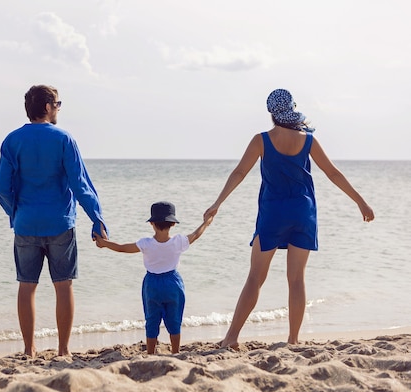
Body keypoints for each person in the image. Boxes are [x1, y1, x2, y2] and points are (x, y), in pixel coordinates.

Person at [203, 88, 375, 349]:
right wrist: (360, 201)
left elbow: (239, 172)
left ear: (271, 113)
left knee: (255, 277)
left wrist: (217, 203)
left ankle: (231, 337)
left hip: (273, 213)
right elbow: (333, 173)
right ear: (292, 110)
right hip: (303, 213)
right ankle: (293, 340)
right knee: (296, 279)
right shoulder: (308, 140)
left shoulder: (261, 140)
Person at [0, 85, 108, 358]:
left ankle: (28, 349)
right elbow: (80, 185)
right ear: (46, 107)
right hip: (60, 223)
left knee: (26, 286)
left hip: (26, 224)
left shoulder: (12, 141)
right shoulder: (64, 139)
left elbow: (2, 188)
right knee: (63, 285)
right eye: (57, 103)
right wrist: (97, 218)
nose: (58, 108)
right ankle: (63, 349)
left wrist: (16, 212)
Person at [94, 201, 213, 354]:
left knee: (152, 320)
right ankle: (175, 352)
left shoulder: (146, 243)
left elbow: (122, 248)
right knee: (174, 319)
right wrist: (206, 222)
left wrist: (104, 243)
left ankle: (150, 352)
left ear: (151, 223)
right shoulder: (178, 242)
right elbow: (196, 235)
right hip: (173, 283)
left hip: (152, 284)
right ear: (173, 224)